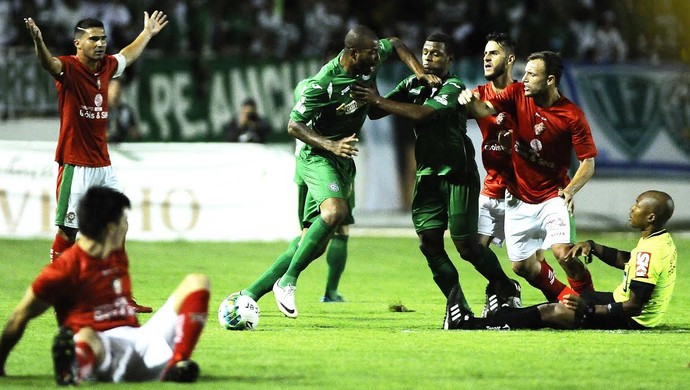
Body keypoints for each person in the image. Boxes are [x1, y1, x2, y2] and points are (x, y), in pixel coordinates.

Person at [269, 25, 442, 318]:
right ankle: (287, 282)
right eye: (371, 53)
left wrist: (419, 73)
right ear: (353, 53)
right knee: (325, 224)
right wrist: (331, 145)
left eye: (376, 51)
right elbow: (293, 125)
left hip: (342, 161)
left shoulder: (369, 58)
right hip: (318, 157)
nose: (377, 57)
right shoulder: (322, 83)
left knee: (323, 236)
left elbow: (396, 43)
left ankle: (256, 293)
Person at [351, 32, 520, 316]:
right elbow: (374, 114)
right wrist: (372, 78)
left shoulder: (453, 86)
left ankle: (505, 286)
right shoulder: (412, 84)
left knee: (466, 246)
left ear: (449, 59)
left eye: (437, 53)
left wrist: (377, 100)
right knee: (428, 243)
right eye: (426, 52)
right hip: (428, 174)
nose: (429, 57)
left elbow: (423, 115)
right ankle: (457, 303)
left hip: (457, 173)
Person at [0, 187, 210, 383]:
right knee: (86, 335)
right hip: (100, 350)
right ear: (110, 228)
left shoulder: (114, 251)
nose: (126, 224)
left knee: (197, 282)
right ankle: (75, 368)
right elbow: (20, 315)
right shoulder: (63, 270)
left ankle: (176, 365)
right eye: (124, 219)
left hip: (139, 340)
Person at [24, 12, 167, 266]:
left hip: (103, 165)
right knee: (69, 232)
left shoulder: (106, 67)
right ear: (78, 43)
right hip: (75, 165)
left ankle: (117, 292)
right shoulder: (68, 68)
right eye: (94, 39)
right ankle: (60, 289)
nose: (100, 44)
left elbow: (127, 55)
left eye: (103, 39)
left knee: (119, 223)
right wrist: (38, 41)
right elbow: (49, 64)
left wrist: (146, 33)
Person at [457, 50, 597, 305]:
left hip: (553, 196)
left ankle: (590, 303)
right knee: (521, 267)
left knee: (564, 254)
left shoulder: (572, 115)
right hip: (518, 198)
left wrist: (571, 190)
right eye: (525, 73)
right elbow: (484, 108)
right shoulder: (516, 94)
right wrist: (469, 100)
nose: (524, 79)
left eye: (532, 74)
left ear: (550, 79)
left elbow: (588, 162)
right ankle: (567, 299)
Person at [445, 190, 677, 331]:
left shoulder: (650, 252)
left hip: (632, 319)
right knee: (569, 300)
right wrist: (593, 247)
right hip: (623, 301)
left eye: (637, 205)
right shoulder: (660, 241)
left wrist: (592, 309)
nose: (631, 208)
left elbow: (635, 306)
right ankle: (504, 316)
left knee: (553, 312)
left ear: (651, 216)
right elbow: (630, 260)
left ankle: (472, 324)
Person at [239, 80, 350, 304]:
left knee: (313, 242)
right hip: (322, 168)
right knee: (326, 233)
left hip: (315, 169)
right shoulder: (317, 89)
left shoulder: (314, 89)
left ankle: (251, 294)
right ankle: (275, 287)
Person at [471, 32, 519, 315]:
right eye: (485, 53)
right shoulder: (478, 94)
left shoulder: (524, 94)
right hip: (491, 186)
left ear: (510, 59)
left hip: (522, 190)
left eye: (494, 53)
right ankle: (503, 288)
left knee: (527, 261)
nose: (486, 58)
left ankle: (570, 301)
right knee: (474, 249)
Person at [107, 77, 140, 143]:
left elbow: (135, 132)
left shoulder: (126, 111)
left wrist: (133, 133)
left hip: (121, 147)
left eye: (118, 88)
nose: (116, 92)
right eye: (113, 88)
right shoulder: (97, 110)